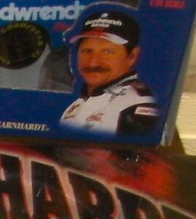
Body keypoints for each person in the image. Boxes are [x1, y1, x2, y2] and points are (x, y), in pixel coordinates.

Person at [59, 7, 161, 138]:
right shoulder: (76, 106)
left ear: (132, 56)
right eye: (87, 51)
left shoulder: (136, 106)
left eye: (108, 52)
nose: (93, 62)